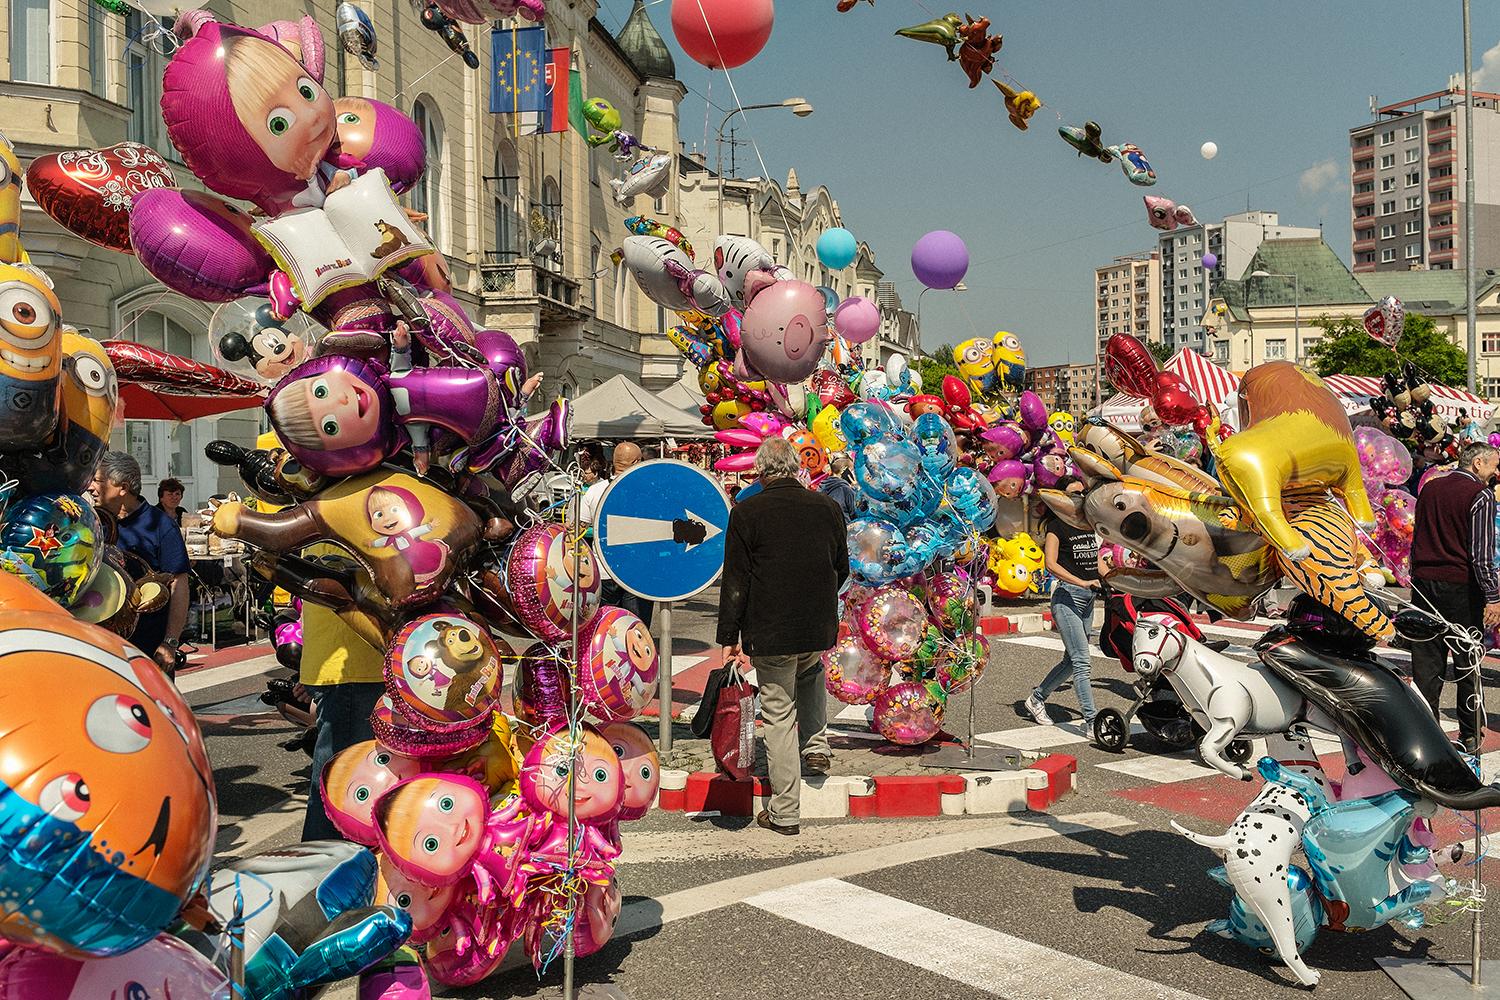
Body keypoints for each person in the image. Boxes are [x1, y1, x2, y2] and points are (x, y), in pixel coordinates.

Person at [717, 436, 848, 836]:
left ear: (761, 471)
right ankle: (816, 747)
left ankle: (785, 811)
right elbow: (840, 568)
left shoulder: (748, 512)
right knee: (810, 676)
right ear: (795, 467)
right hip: (815, 626)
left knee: (777, 715)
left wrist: (729, 635)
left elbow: (735, 582)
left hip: (771, 630)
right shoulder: (826, 507)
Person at [1409, 441, 1500, 752]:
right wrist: (1494, 596)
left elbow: (1417, 535)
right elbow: (1481, 553)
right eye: (1493, 465)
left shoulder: (1431, 488)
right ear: (1477, 465)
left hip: (1424, 584)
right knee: (1467, 665)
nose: (1496, 471)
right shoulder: (1480, 495)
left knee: (1426, 665)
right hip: (1462, 588)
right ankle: (1470, 733)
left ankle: (1425, 733)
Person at [93, 452, 191, 675]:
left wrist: (170, 642)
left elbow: (179, 584)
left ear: (123, 487)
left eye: (98, 481)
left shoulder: (160, 525)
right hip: (101, 646)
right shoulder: (93, 522)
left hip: (147, 646)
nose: (91, 487)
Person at [1025, 475, 1102, 729]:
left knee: (1071, 660)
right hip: (1067, 597)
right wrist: (1082, 582)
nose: (1079, 498)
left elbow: (1096, 561)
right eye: (1073, 494)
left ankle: (1037, 698)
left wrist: (1115, 577)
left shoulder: (1089, 525)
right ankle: (1092, 721)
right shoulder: (1056, 526)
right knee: (1082, 661)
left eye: (1082, 493)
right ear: (1061, 499)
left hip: (1089, 599)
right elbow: (1051, 564)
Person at [584, 441, 655, 628]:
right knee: (636, 629)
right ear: (637, 461)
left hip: (603, 570)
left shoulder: (594, 491)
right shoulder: (647, 492)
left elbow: (576, 528)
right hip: (637, 571)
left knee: (607, 628)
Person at [817, 453, 861, 521]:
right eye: (852, 470)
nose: (853, 474)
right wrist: (857, 489)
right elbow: (857, 514)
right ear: (845, 470)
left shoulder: (820, 488)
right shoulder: (845, 489)